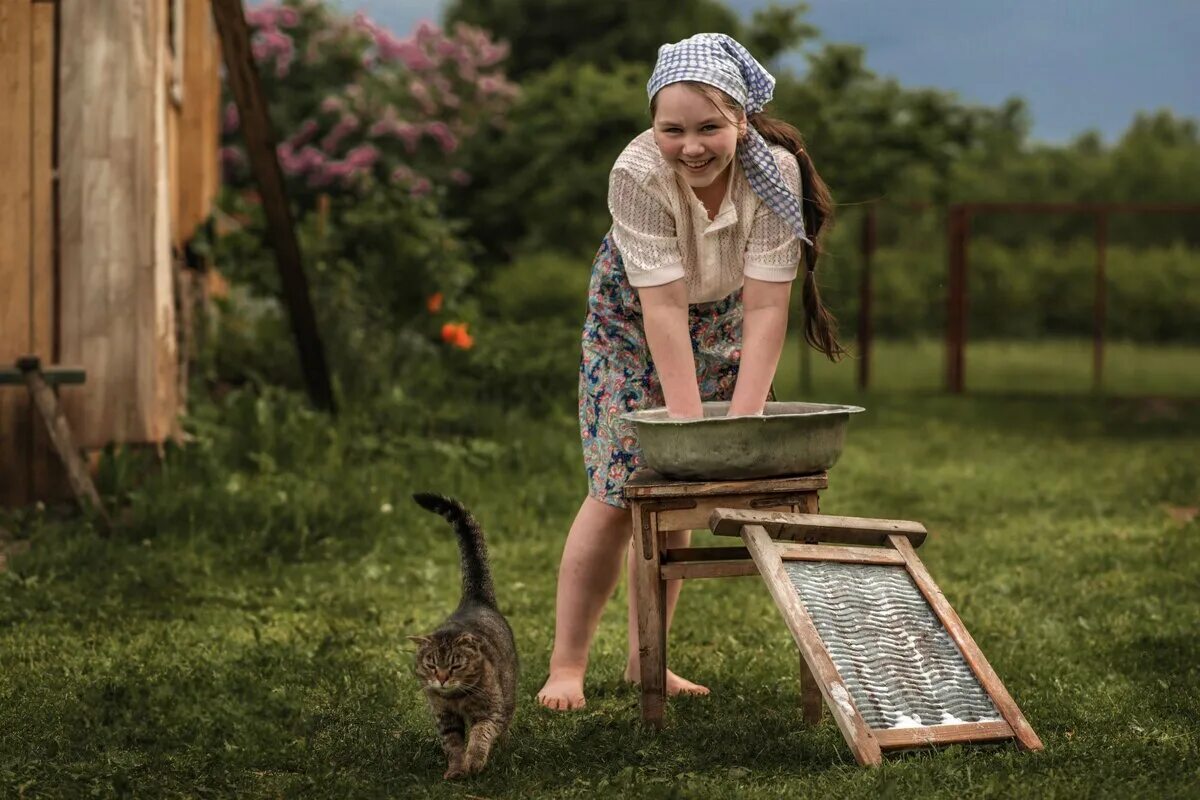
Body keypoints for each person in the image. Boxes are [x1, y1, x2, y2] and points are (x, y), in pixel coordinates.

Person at [536, 33, 844, 711]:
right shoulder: (636, 173)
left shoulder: (776, 175)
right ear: (653, 125)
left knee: (675, 489)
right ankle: (567, 666)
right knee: (620, 486)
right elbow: (662, 310)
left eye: (709, 127)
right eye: (671, 129)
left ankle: (647, 659)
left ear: (740, 118)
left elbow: (767, 306)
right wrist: (684, 434)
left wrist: (740, 426)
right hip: (631, 320)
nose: (691, 146)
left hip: (725, 313)